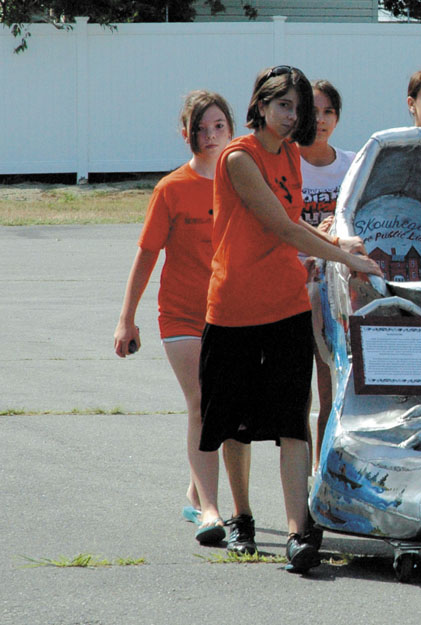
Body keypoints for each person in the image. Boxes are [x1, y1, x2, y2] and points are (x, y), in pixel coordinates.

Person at [198, 66, 382, 573]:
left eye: (297, 108)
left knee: (291, 419)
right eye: (282, 105)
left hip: (287, 304)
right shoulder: (239, 156)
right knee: (234, 422)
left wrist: (337, 241)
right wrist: (347, 258)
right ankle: (241, 518)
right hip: (235, 307)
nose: (291, 115)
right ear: (259, 105)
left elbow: (294, 216)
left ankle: (301, 530)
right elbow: (277, 224)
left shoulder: (291, 155)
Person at [113, 90, 251, 547]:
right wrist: (126, 319)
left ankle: (196, 490)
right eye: (202, 128)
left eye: (219, 126)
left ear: (232, 129)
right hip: (181, 315)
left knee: (229, 405)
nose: (211, 136)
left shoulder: (243, 180)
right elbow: (147, 254)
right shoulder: (171, 189)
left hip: (231, 311)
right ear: (186, 133)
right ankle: (210, 511)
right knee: (203, 403)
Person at [298, 80, 356, 471]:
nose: (320, 120)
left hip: (333, 292)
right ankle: (298, 487)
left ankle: (322, 478)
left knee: (329, 391)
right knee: (294, 402)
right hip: (289, 287)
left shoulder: (351, 163)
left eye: (328, 112)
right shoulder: (283, 162)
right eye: (312, 112)